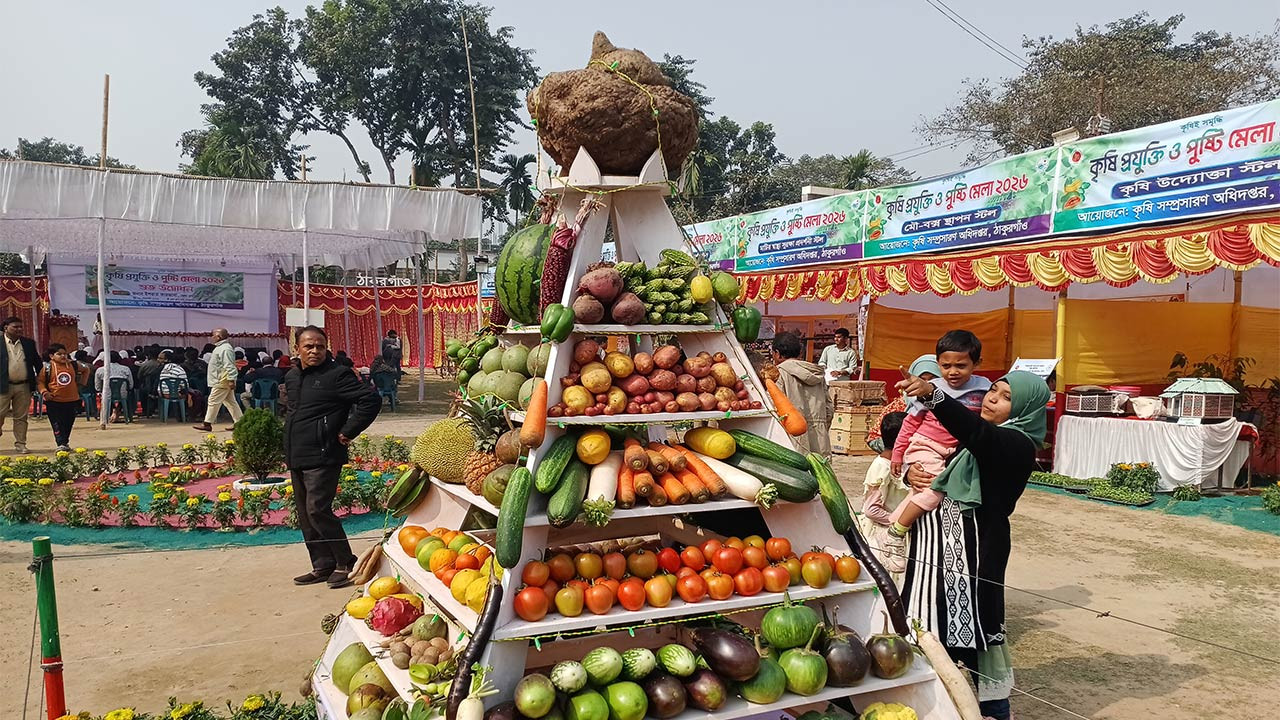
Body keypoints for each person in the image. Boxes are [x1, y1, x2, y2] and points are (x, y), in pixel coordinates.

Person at [895, 369, 1050, 720]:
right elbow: (943, 472)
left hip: (976, 553)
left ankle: (993, 711)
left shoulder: (1017, 445)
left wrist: (935, 395)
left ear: (1027, 406)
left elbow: (977, 435)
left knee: (978, 635)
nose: (993, 398)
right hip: (936, 555)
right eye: (993, 390)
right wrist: (910, 474)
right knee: (929, 630)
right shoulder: (981, 440)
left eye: (1007, 396)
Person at [883, 333, 991, 571]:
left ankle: (894, 524)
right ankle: (897, 531)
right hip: (926, 446)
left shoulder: (985, 390)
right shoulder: (930, 390)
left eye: (961, 366)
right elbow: (910, 424)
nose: (953, 372)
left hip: (951, 451)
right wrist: (898, 455)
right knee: (934, 491)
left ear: (977, 363)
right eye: (946, 366)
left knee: (925, 490)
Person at [284, 326, 381, 588]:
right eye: (308, 346)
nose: (315, 351)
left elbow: (370, 400)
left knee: (318, 510)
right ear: (297, 349)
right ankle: (322, 565)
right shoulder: (293, 377)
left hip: (325, 454)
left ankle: (344, 561)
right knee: (305, 515)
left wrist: (348, 431)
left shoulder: (337, 375)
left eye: (320, 346)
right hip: (298, 454)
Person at [858, 411, 908, 581]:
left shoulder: (901, 464)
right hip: (885, 535)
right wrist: (901, 521)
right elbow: (871, 510)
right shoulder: (882, 468)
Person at [770, 331, 830, 456]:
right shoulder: (817, 374)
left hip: (793, 440)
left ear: (777, 353)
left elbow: (775, 409)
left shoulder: (779, 374)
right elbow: (829, 409)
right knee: (821, 472)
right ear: (800, 352)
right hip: (820, 438)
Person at [0, 317, 42, 453]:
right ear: (6, 328)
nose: (19, 329)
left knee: (21, 417)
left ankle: (20, 444)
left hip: (23, 386)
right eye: (15, 327)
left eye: (20, 327)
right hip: (2, 386)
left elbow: (38, 363)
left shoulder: (28, 343)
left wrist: (40, 381)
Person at [194, 328, 242, 432]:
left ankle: (207, 423)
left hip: (222, 380)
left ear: (219, 337)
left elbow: (229, 365)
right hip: (221, 379)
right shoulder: (220, 348)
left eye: (213, 335)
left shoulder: (225, 349)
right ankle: (240, 422)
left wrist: (231, 379)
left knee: (213, 401)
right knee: (230, 402)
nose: (212, 337)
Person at [37, 344, 82, 451]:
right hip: (54, 401)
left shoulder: (73, 365)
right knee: (57, 423)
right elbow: (40, 382)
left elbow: (86, 370)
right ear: (51, 356)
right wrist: (44, 392)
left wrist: (80, 385)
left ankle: (65, 442)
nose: (63, 356)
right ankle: (60, 443)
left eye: (65, 354)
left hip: (71, 400)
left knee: (68, 423)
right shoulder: (47, 367)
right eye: (59, 354)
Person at [94, 351, 134, 422]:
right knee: (126, 396)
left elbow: (97, 387)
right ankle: (118, 411)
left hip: (107, 394)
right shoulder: (126, 369)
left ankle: (111, 413)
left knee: (106, 396)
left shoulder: (100, 370)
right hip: (123, 395)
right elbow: (131, 385)